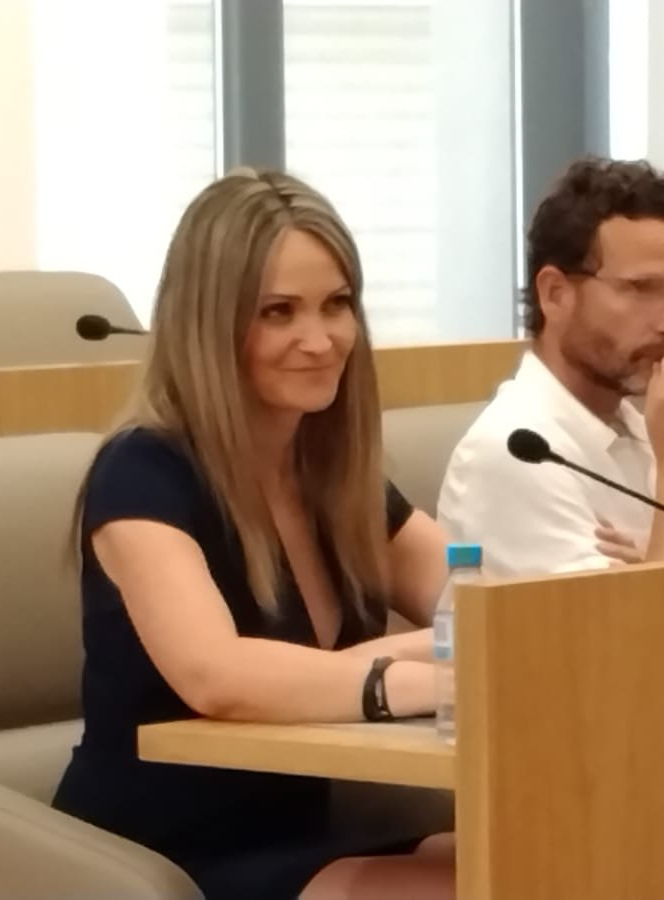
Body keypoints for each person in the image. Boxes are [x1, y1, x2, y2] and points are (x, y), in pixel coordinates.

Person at [51, 168, 455, 900]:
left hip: (305, 836)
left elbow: (481, 608)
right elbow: (220, 677)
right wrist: (415, 671)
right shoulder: (140, 473)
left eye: (337, 305)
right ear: (208, 326)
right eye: (278, 312)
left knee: (549, 853)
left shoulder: (335, 477)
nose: (320, 340)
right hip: (159, 860)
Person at [436, 157, 664, 577]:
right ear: (555, 294)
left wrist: (655, 561)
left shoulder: (655, 428)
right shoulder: (516, 453)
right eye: (643, 289)